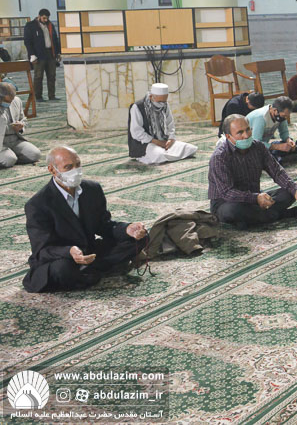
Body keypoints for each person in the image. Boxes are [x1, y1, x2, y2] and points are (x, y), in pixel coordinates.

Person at [23, 146, 149, 292]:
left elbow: (104, 225)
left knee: (140, 238)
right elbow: (42, 250)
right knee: (62, 270)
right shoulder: (38, 204)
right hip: (62, 258)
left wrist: (127, 229)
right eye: (68, 167)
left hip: (90, 251)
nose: (75, 170)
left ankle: (88, 270)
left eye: (78, 165)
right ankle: (96, 270)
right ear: (52, 170)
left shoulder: (92, 189)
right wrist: (69, 251)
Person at [208, 114, 297, 227]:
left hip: (255, 198)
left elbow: (277, 172)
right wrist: (255, 198)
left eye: (248, 130)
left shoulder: (258, 147)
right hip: (227, 203)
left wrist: (295, 189)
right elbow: (227, 193)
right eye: (240, 133)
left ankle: (257, 218)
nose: (246, 135)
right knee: (234, 211)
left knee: (288, 193)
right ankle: (279, 214)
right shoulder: (220, 157)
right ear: (228, 136)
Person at [128, 83, 198, 165]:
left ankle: (164, 155)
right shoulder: (137, 107)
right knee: (160, 155)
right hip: (146, 144)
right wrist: (156, 142)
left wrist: (171, 139)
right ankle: (156, 155)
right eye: (160, 101)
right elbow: (136, 132)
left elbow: (170, 124)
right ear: (151, 97)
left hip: (163, 141)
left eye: (164, 101)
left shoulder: (165, 105)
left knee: (190, 149)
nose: (162, 104)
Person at [0, 82, 41, 168]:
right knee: (9, 159)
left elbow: (23, 119)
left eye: (12, 99)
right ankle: (10, 157)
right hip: (1, 143)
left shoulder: (16, 101)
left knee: (35, 154)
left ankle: (11, 157)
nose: (10, 103)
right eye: (7, 101)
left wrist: (21, 126)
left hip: (15, 139)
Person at [23, 8, 60, 102]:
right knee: (38, 76)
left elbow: (55, 39)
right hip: (38, 55)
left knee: (52, 75)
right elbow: (27, 41)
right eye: (44, 18)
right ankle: (38, 96)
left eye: (47, 18)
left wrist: (57, 52)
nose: (45, 20)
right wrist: (32, 54)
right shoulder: (30, 26)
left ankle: (52, 95)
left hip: (50, 53)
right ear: (39, 16)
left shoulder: (50, 25)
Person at [247, 96, 297, 163]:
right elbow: (256, 144)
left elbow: (284, 133)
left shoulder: (280, 116)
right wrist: (277, 147)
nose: (285, 118)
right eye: (284, 115)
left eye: (287, 116)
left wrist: (288, 140)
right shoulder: (261, 118)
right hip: (249, 148)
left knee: (289, 148)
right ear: (274, 110)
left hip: (264, 146)